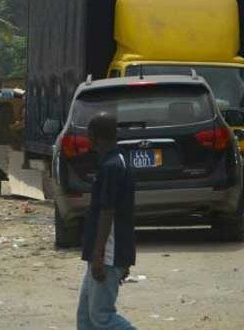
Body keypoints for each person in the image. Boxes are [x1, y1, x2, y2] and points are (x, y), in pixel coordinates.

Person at [76, 112, 137, 330]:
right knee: (86, 317)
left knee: (101, 317)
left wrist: (99, 254)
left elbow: (108, 212)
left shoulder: (112, 167)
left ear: (94, 136)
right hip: (110, 252)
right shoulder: (118, 161)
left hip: (107, 253)